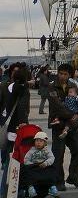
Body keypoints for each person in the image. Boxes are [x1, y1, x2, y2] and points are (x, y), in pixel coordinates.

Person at [48, 63, 78, 190]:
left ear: (69, 75)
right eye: (60, 73)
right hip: (58, 124)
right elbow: (57, 106)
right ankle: (59, 181)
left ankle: (73, 176)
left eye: (65, 74)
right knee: (58, 154)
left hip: (72, 125)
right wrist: (72, 115)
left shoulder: (73, 85)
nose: (62, 76)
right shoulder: (52, 86)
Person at [0, 65, 31, 195]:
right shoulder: (23, 89)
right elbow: (22, 107)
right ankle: (16, 191)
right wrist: (24, 123)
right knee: (18, 162)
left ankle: (3, 191)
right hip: (17, 130)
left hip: (7, 128)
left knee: (8, 162)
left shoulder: (8, 87)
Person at [23, 130, 59, 197]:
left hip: (44, 166)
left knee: (53, 169)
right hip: (34, 166)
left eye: (41, 141)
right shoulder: (31, 151)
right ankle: (30, 188)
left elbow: (51, 158)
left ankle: (52, 186)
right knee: (27, 171)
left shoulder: (47, 150)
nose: (38, 143)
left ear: (45, 143)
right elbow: (26, 160)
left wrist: (46, 163)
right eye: (37, 141)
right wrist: (31, 164)